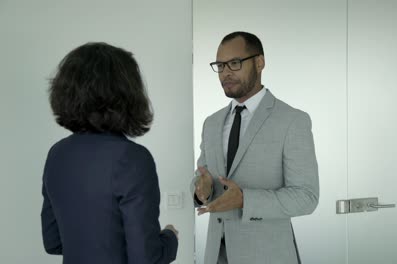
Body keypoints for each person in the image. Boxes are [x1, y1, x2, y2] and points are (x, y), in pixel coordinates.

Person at [41, 42, 178, 264]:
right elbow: (145, 258)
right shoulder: (132, 158)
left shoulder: (57, 154)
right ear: (128, 94)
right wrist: (171, 237)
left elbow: (53, 242)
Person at [190, 31, 320, 264]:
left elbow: (306, 197)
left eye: (235, 63)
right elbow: (203, 174)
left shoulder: (292, 121)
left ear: (259, 62)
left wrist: (245, 200)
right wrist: (202, 190)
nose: (226, 72)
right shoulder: (211, 123)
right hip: (215, 255)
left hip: (267, 256)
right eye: (220, 65)